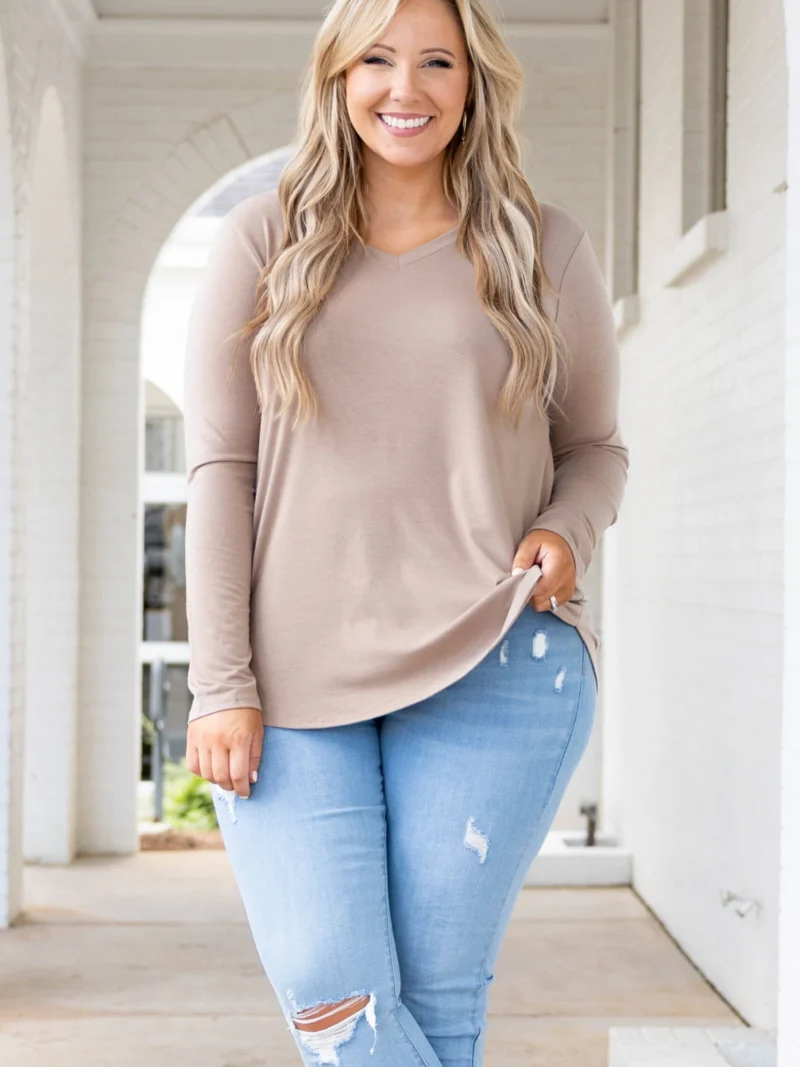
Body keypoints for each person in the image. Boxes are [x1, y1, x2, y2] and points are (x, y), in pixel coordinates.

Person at [182, 0, 629, 1063]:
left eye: (437, 62)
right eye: (377, 59)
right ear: (337, 75)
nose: (405, 89)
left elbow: (595, 448)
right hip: (289, 683)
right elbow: (221, 471)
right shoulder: (262, 240)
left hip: (496, 659)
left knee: (437, 1001)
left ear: (473, 83)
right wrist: (219, 681)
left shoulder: (542, 247)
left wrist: (566, 527)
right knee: (335, 1002)